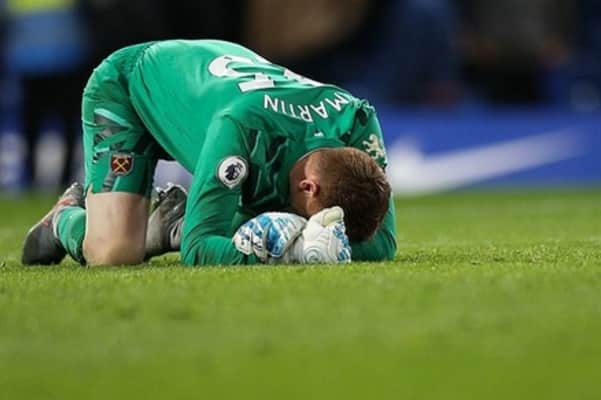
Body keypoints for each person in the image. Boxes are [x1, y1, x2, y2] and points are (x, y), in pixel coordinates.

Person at [21, 40, 396, 267]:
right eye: (322, 219)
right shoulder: (244, 128)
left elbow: (382, 243)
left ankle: (169, 225)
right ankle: (63, 218)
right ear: (309, 187)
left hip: (208, 84)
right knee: (114, 253)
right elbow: (199, 248)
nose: (324, 229)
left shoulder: (358, 124)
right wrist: (295, 253)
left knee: (274, 220)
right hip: (131, 87)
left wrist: (316, 240)